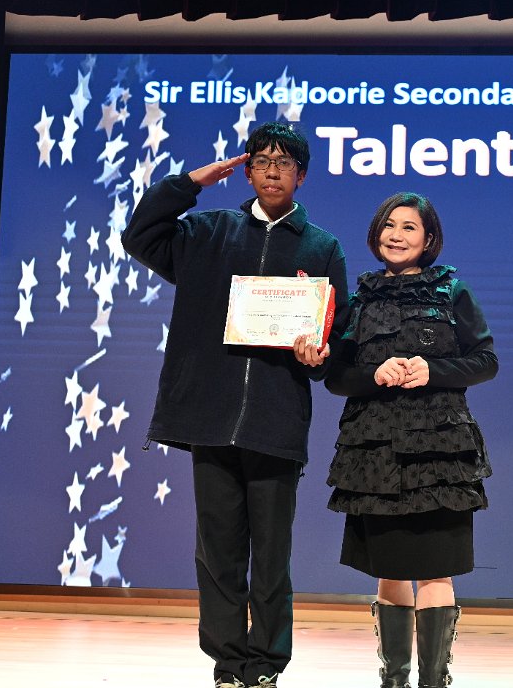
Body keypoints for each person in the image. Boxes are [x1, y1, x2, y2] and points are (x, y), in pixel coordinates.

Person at [122, 121, 348, 688]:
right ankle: (228, 662)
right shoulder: (206, 232)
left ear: (301, 175)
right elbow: (140, 235)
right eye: (262, 161)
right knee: (218, 552)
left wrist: (319, 353)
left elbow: (336, 334)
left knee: (271, 556)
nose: (272, 171)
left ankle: (266, 663)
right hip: (210, 417)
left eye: (284, 163)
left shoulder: (321, 247)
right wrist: (188, 184)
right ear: (246, 172)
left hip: (276, 421)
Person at [324, 192, 497, 688]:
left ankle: (433, 681)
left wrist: (433, 370)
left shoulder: (452, 292)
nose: (396, 236)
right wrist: (373, 374)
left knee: (438, 569)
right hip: (375, 451)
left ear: (429, 238)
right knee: (392, 568)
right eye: (389, 225)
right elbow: (336, 376)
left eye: (409, 228)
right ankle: (394, 680)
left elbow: (485, 361)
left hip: (441, 452)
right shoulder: (360, 300)